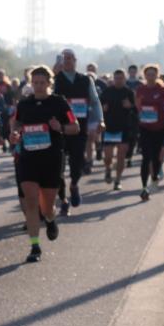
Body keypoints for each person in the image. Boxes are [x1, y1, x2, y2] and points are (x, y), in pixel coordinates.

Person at [11, 65, 79, 262]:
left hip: (51, 159)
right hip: (28, 158)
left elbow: (75, 127)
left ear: (49, 83)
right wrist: (15, 133)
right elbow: (15, 123)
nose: (39, 86)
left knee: (46, 207)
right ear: (31, 84)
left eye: (42, 83)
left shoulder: (59, 103)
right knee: (31, 202)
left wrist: (61, 127)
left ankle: (50, 219)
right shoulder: (24, 104)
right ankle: (34, 246)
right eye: (35, 83)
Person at [53, 48, 102, 216]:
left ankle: (74, 185)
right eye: (64, 58)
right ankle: (63, 201)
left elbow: (95, 102)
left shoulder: (85, 80)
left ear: (75, 60)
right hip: (59, 129)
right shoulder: (55, 80)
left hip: (79, 128)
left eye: (70, 58)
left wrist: (100, 120)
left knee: (77, 163)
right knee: (57, 168)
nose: (67, 61)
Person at [134, 64, 164, 201]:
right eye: (148, 74)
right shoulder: (140, 89)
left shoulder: (162, 89)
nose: (150, 77)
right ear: (145, 75)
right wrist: (141, 112)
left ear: (156, 75)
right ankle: (144, 187)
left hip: (159, 127)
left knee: (156, 158)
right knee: (146, 157)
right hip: (145, 127)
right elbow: (137, 102)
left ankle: (154, 178)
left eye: (153, 74)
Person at [99, 69, 136, 190]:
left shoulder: (129, 92)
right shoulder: (107, 92)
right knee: (108, 156)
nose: (118, 81)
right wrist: (102, 109)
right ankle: (108, 169)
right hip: (109, 127)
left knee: (121, 156)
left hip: (124, 127)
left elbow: (136, 109)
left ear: (125, 79)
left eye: (121, 78)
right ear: (113, 79)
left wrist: (130, 106)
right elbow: (98, 107)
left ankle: (118, 180)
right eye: (116, 78)